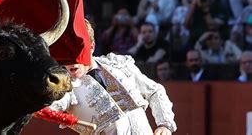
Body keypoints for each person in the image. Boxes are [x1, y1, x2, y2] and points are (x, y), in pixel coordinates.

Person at [49, 20, 177, 134]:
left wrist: (165, 124)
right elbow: (53, 104)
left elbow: (154, 91)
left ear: (91, 47)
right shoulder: (65, 86)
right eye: (65, 54)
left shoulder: (118, 64)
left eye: (77, 52)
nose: (71, 60)